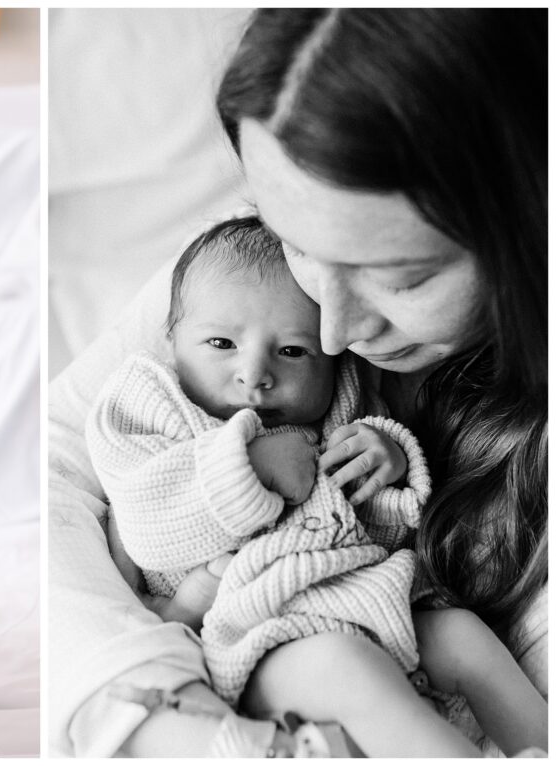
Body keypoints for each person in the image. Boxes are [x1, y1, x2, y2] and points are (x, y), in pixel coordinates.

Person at [48, 8, 545, 757]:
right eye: (298, 246)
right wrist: (160, 715)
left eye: (401, 278)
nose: (332, 332)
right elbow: (55, 472)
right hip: (260, 634)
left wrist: (389, 458)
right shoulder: (236, 281)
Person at [87, 217, 545, 756]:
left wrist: (389, 462)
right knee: (344, 667)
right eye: (220, 343)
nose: (254, 373)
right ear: (170, 339)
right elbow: (147, 526)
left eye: (292, 351)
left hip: (374, 607)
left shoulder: (339, 409)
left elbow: (383, 531)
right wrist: (247, 467)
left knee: (463, 634)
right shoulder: (151, 405)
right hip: (256, 642)